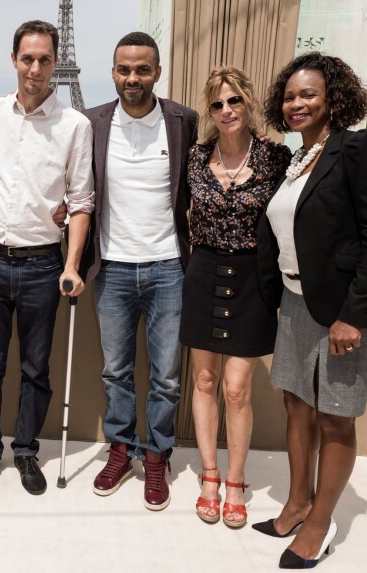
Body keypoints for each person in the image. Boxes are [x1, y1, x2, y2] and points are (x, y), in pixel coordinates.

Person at [0, 21, 94, 496]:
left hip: (43, 265)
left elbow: (81, 201)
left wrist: (72, 264)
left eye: (44, 59)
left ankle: (25, 451)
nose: (35, 68)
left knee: (37, 369)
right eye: (27, 58)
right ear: (14, 59)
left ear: (56, 63)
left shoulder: (75, 126)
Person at [254, 52, 367, 569]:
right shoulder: (295, 158)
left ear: (333, 99)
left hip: (339, 310)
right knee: (296, 404)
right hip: (296, 301)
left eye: (309, 95)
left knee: (335, 417)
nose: (296, 103)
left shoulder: (354, 151)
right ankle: (298, 501)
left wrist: (353, 315)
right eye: (290, 95)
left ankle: (320, 522)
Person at [80, 32, 198, 511]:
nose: (133, 78)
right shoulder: (91, 123)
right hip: (111, 268)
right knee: (116, 372)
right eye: (124, 69)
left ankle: (157, 454)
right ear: (112, 72)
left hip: (169, 266)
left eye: (142, 69)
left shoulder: (182, 121)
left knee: (167, 376)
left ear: (157, 72)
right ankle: (121, 447)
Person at [179, 67, 291, 527]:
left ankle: (237, 479)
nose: (227, 111)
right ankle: (209, 476)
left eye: (234, 101)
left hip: (252, 276)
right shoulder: (196, 157)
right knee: (204, 382)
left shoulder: (275, 157)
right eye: (218, 104)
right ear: (210, 111)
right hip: (203, 270)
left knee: (236, 388)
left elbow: (292, 217)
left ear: (247, 103)